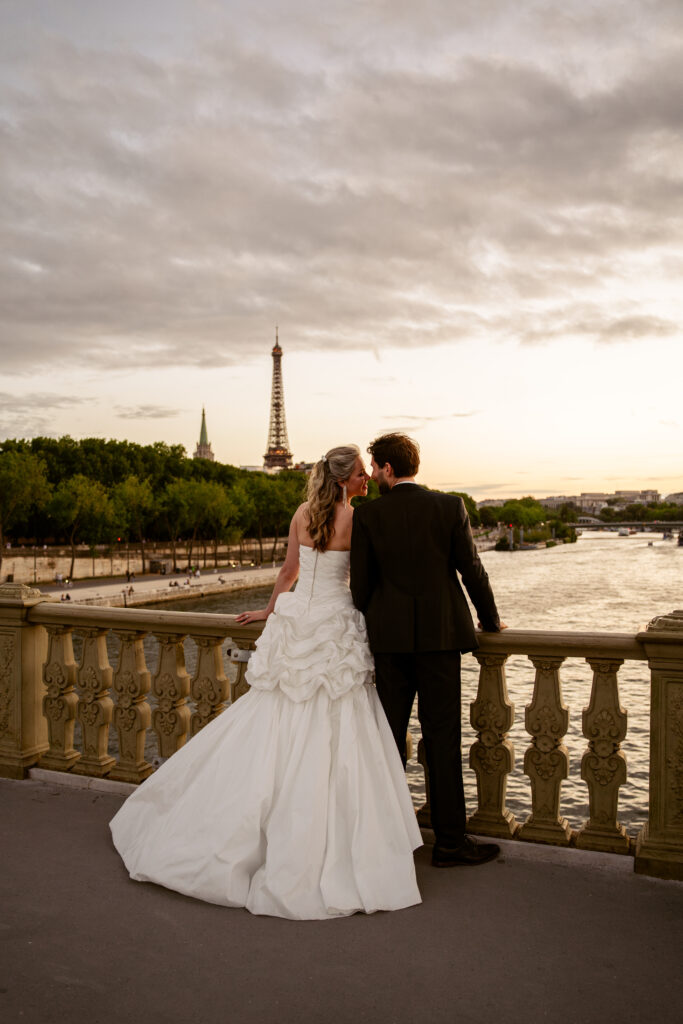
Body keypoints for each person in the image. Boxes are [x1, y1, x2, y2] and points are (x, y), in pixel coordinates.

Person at [110, 444, 422, 920]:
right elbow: (364, 585)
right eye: (360, 473)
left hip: (298, 621)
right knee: (338, 726)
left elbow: (288, 572)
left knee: (273, 722)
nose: (365, 478)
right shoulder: (360, 520)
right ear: (344, 480)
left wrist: (269, 610)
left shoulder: (302, 512)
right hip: (335, 623)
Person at [350, 433, 505, 868]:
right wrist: (490, 622)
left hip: (390, 644)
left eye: (376, 467)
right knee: (442, 741)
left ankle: (385, 839)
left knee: (388, 741)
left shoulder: (369, 517)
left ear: (387, 469)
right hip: (440, 642)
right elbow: (472, 570)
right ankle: (450, 844)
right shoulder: (449, 506)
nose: (374, 473)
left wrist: (383, 615)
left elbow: (360, 591)